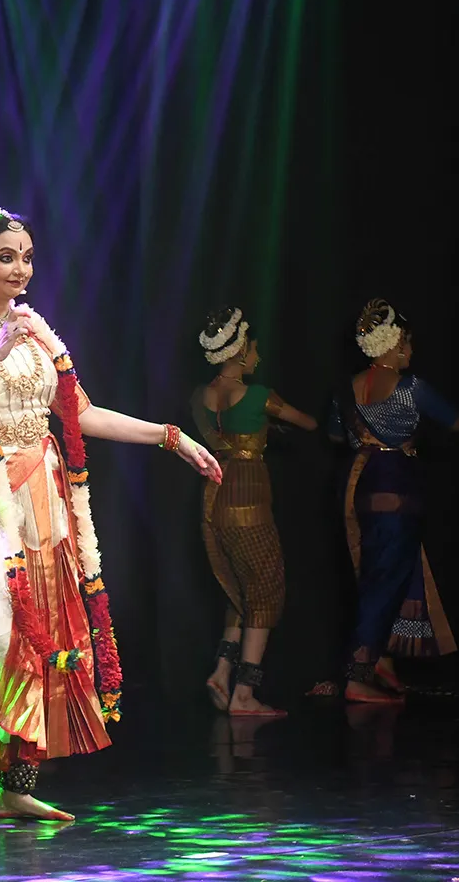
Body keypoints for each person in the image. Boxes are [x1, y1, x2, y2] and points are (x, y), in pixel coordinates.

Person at [0, 196, 222, 820]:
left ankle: (17, 785)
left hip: (41, 498)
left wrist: (169, 436)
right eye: (5, 258)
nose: (20, 270)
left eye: (28, 258)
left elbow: (80, 415)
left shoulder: (39, 333)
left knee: (43, 635)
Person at [329, 299, 459, 703]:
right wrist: (409, 438)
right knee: (385, 579)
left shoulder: (348, 389)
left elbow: (336, 436)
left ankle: (383, 658)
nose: (409, 352)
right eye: (405, 343)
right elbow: (457, 422)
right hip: (397, 488)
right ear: (390, 345)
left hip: (360, 486)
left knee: (384, 570)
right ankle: (356, 675)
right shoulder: (411, 389)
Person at [190, 307, 318, 717]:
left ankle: (222, 671)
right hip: (248, 498)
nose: (258, 358)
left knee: (238, 587)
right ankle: (245, 693)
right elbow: (310, 424)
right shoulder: (259, 396)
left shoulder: (199, 397)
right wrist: (271, 426)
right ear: (241, 349)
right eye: (254, 350)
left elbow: (222, 436)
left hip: (214, 498)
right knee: (265, 590)